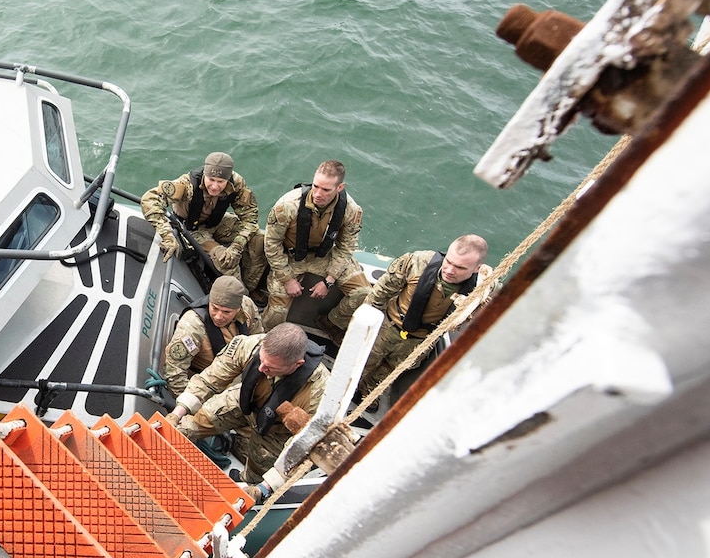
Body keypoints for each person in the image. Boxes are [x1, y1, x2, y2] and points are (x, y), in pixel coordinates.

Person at [168, 322, 329, 486]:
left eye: (269, 367)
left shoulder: (320, 393)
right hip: (246, 399)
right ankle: (176, 435)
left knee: (259, 473)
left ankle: (247, 481)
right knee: (199, 420)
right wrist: (177, 413)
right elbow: (209, 379)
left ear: (297, 364)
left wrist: (264, 488)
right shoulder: (252, 345)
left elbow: (303, 445)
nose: (260, 368)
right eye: (261, 360)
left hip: (277, 430)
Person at [350, 234, 492, 398]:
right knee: (363, 361)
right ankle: (349, 389)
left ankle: (367, 390)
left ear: (476, 268)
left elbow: (496, 287)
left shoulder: (480, 288)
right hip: (389, 326)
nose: (450, 270)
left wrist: (486, 287)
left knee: (390, 370)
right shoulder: (418, 262)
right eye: (449, 261)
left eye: (460, 268)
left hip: (419, 341)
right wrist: (367, 320)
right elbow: (382, 290)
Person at [261, 160, 369, 333]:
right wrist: (287, 279)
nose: (318, 193)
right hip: (290, 258)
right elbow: (272, 244)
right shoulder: (288, 205)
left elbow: (346, 247)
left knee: (363, 293)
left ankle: (330, 322)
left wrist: (329, 280)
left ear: (339, 188)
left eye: (326, 190)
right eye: (316, 186)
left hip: (323, 257)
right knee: (276, 313)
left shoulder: (351, 210)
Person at [140, 151, 266, 293]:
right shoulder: (187, 185)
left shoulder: (236, 184)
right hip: (192, 230)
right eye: (211, 179)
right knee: (225, 259)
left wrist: (237, 244)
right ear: (205, 174)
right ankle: (240, 298)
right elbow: (149, 200)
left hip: (217, 222)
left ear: (227, 179)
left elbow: (250, 217)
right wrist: (167, 235)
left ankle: (251, 287)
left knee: (259, 238)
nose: (214, 186)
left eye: (220, 182)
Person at [161, 275, 262, 397]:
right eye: (214, 308)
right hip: (208, 383)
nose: (218, 316)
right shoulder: (192, 326)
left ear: (238, 309)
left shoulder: (247, 306)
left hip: (243, 372)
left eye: (226, 312)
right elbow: (174, 373)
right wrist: (190, 404)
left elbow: (257, 339)